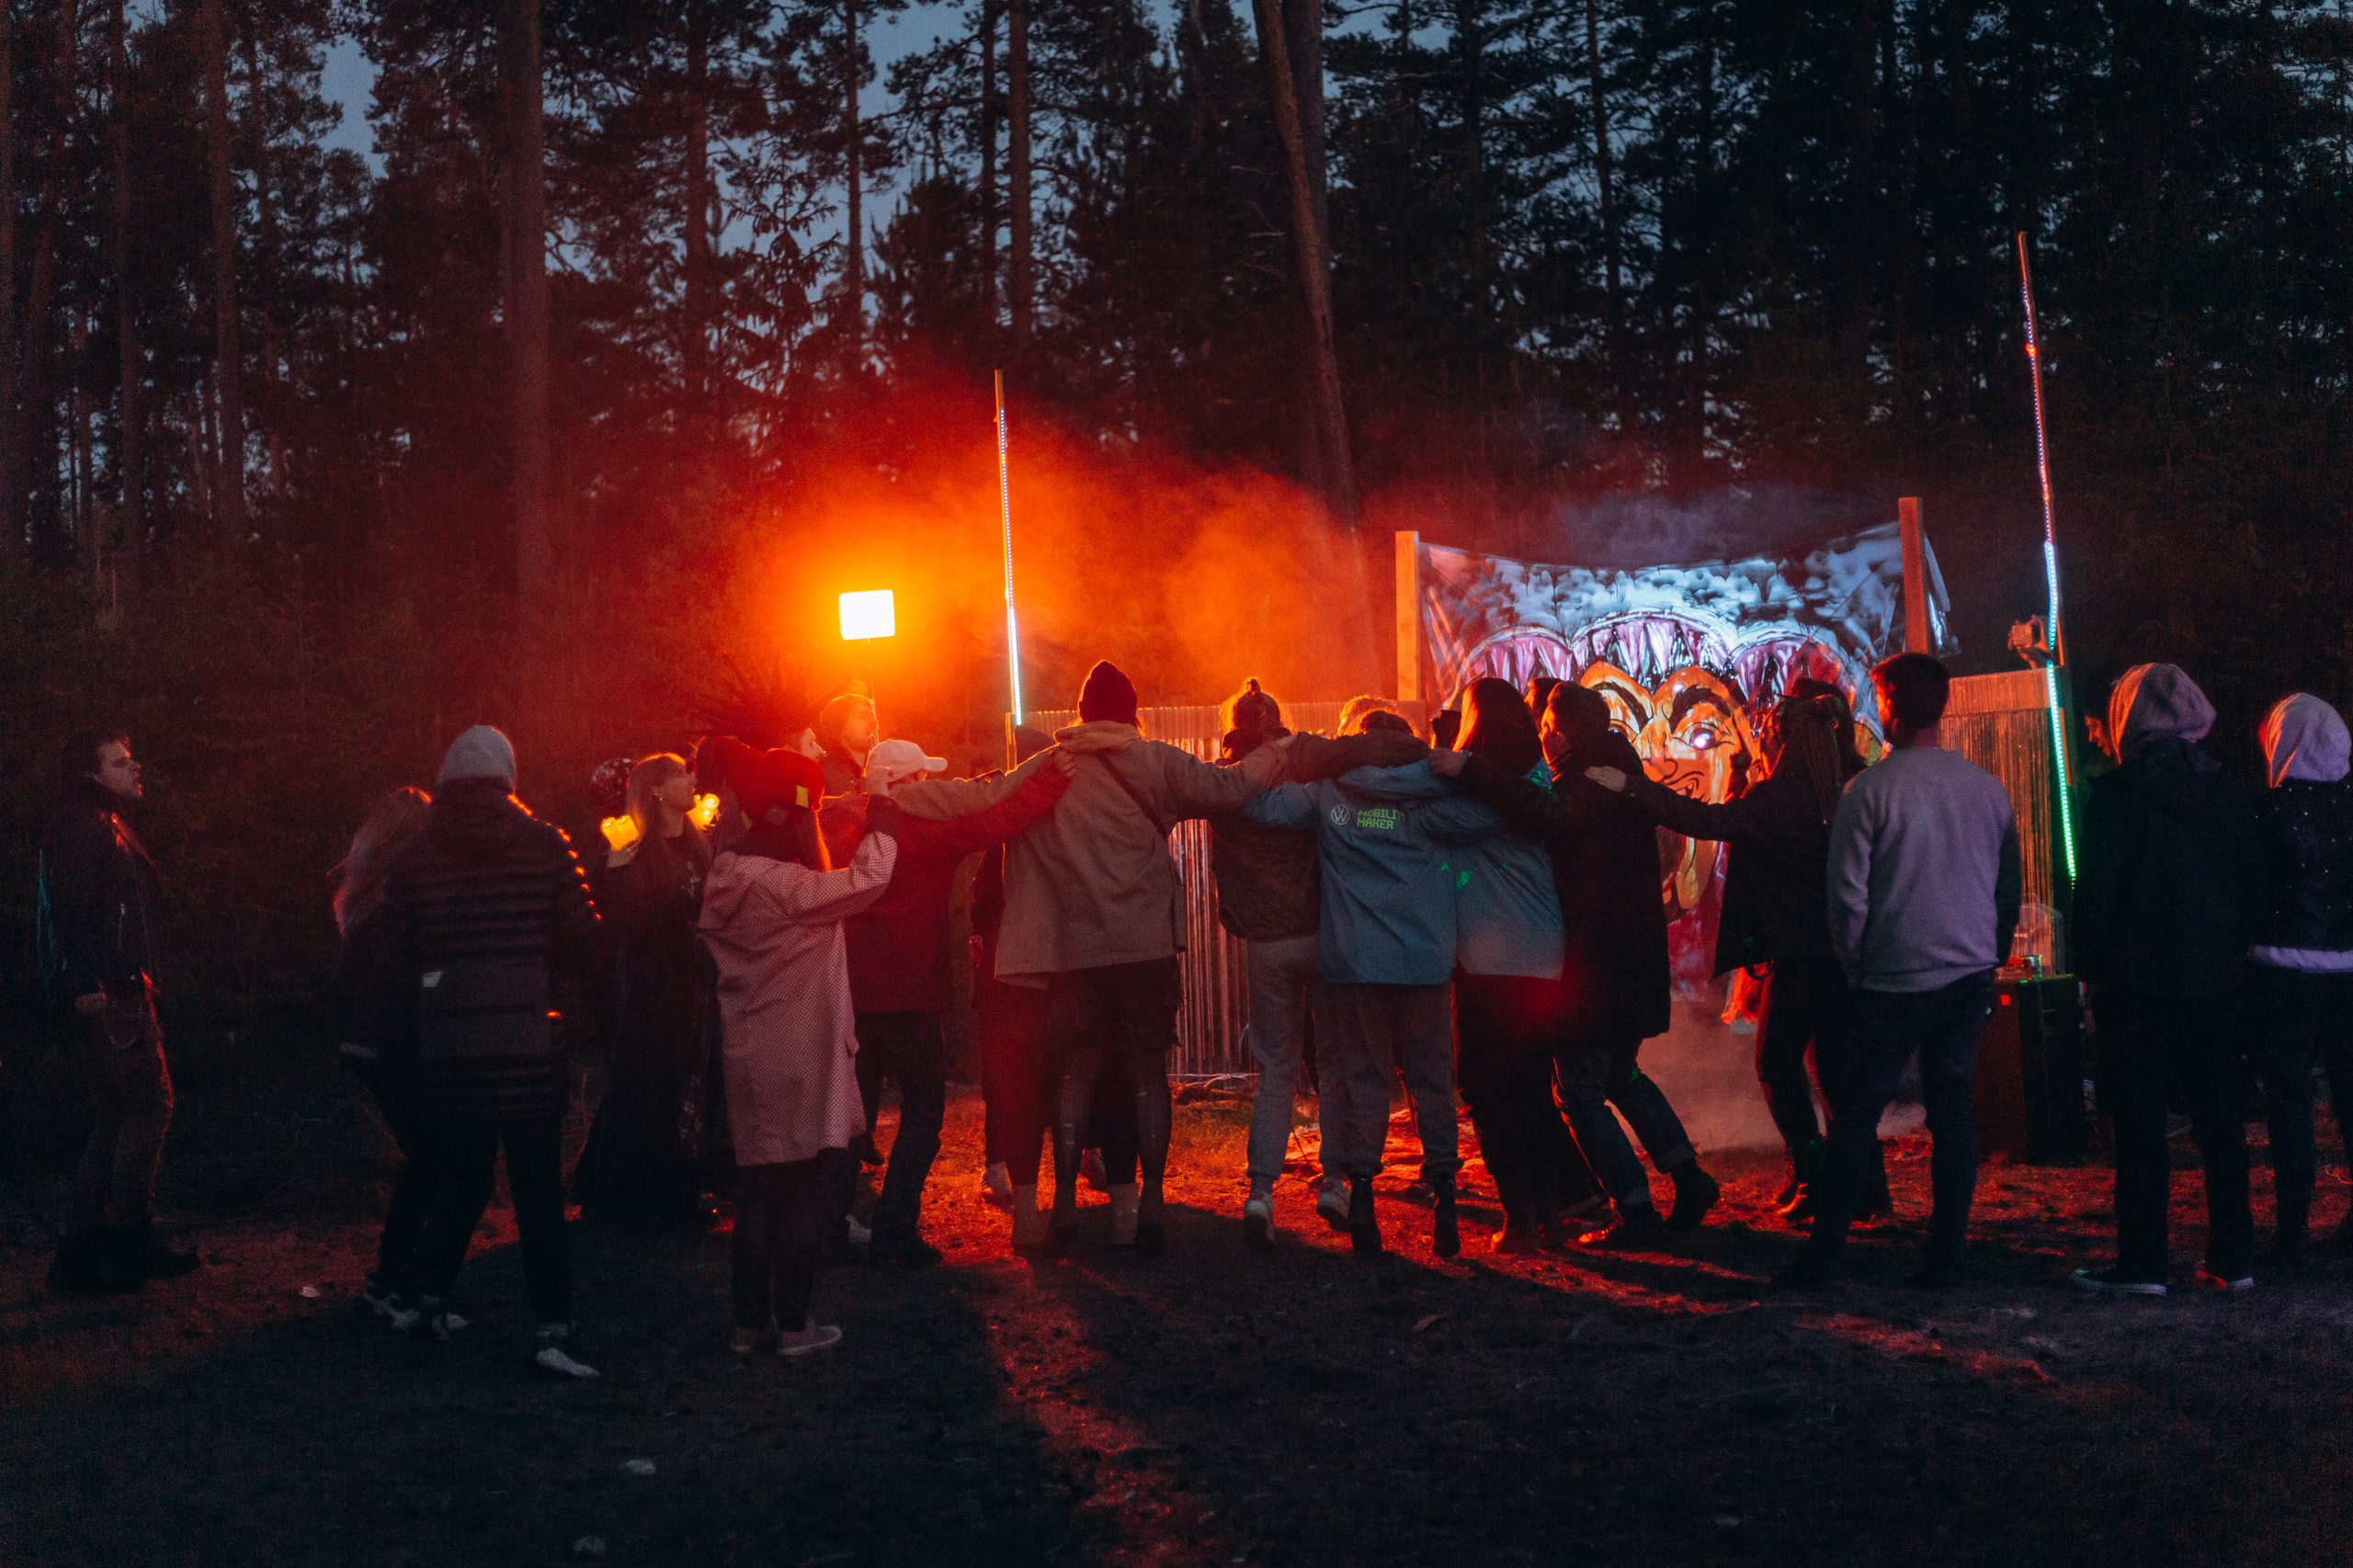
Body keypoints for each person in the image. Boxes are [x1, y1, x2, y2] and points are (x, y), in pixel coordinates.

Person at [894, 660, 1416, 1258]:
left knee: (1080, 1071)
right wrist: (1300, 759)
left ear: (1081, 713)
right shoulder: (1181, 767)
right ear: (1133, 709)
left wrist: (887, 800)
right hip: (1205, 947)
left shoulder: (1053, 766)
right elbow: (1244, 792)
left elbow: (979, 796)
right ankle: (1164, 1206)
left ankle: (1082, 1199)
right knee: (1176, 1073)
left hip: (1081, 953)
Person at [1436, 684, 1720, 1251]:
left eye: (1546, 725)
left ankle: (1635, 1209)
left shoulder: (1587, 784)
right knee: (1622, 1075)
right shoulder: (1617, 773)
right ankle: (1689, 1176)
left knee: (1581, 1093)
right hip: (1630, 961)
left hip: (1599, 967)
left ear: (1561, 731)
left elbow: (1541, 812)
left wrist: (1467, 766)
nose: (1542, 736)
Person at [1586, 687, 1877, 1223]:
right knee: (1836, 1070)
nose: (1759, 737)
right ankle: (1862, 1187)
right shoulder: (1850, 786)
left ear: (1785, 736)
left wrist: (1634, 787)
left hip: (1799, 954)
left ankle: (1812, 1176)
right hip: (1844, 953)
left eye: (1767, 730)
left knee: (1776, 1065)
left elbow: (1710, 821)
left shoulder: (1786, 797)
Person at [1779, 653, 2018, 1290]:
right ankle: (1946, 1256)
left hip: (1891, 976)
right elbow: (2005, 890)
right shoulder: (1986, 788)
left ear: (1887, 704)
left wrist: (1855, 964)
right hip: (1966, 973)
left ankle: (1826, 1253)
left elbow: (1846, 897)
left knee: (1857, 1115)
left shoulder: (1869, 792)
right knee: (1953, 1112)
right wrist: (1987, 954)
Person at [370, 726, 603, 1376]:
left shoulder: (411, 860)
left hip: (448, 1052)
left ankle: (429, 1301)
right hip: (529, 1043)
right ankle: (553, 1326)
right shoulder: (545, 844)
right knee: (537, 1193)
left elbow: (392, 961)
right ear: (507, 777)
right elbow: (585, 937)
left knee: (461, 1180)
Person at [1243, 728, 1501, 1257]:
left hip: (1357, 964)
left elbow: (1260, 808)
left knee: (1365, 1078)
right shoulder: (1432, 805)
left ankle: (1361, 1194)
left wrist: (1264, 758)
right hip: (1425, 966)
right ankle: (1446, 1195)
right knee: (1431, 1081)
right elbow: (1496, 816)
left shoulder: (1331, 798)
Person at [697, 738, 898, 1354]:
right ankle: (793, 1325)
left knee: (758, 1187)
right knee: (806, 1183)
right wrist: (883, 809)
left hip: (747, 1053)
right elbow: (871, 878)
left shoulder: (725, 877)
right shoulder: (791, 890)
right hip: (803, 1055)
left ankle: (747, 1323)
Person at [841, 736, 1075, 1265]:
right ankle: (894, 1231)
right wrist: (1055, 777)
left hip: (852, 992)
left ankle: (829, 1224)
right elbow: (1001, 821)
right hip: (913, 994)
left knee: (849, 1118)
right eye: (923, 778)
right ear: (907, 784)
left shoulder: (845, 821)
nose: (932, 787)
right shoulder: (925, 829)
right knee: (923, 1113)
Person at [2071, 665, 2258, 1295]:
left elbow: (2095, 895)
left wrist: (2089, 969)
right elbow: (2248, 886)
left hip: (2136, 984)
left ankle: (2143, 1263)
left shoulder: (2118, 794)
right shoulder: (2229, 792)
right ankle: (2235, 1258)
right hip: (2212, 980)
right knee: (2220, 1120)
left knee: (2141, 1124)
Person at [37, 729, 200, 1293]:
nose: (134, 769)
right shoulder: (88, 829)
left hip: (113, 989)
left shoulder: (92, 824)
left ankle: (81, 1253)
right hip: (114, 994)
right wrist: (87, 981)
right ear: (92, 773)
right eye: (120, 761)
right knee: (149, 1108)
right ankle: (129, 1245)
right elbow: (73, 909)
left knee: (115, 1113)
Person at [1443, 681, 1586, 1255]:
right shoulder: (1536, 777)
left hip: (1490, 959)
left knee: (1485, 1088)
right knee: (1530, 1088)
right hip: (1543, 954)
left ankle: (1520, 1220)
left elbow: (1428, 827)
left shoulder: (1473, 798)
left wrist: (1360, 815)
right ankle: (1551, 1216)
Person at [1206, 680, 1334, 1251]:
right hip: (1323, 936)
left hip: (1266, 943)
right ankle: (1336, 1182)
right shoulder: (1309, 775)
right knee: (1334, 1064)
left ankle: (1260, 1194)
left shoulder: (1221, 783)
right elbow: (1355, 824)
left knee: (1276, 1070)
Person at [576, 755, 715, 1231]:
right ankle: (631, 1195)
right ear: (656, 790)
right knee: (650, 1087)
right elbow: (625, 927)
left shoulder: (701, 844)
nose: (692, 779)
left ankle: (680, 1191)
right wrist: (619, 874)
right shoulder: (633, 851)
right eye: (681, 774)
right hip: (654, 988)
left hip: (698, 983)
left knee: (692, 1089)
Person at [2242, 694, 2353, 1262]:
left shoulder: (2266, 812)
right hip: (2349, 968)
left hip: (2282, 969)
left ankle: (2292, 1230)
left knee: (2290, 1100)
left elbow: (2250, 891)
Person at [331, 787, 438, 1316]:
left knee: (430, 1156)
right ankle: (394, 1278)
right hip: (393, 1047)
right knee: (433, 1157)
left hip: (377, 1047)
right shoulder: (392, 906)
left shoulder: (368, 902)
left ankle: (402, 1275)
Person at [813, 691, 879, 797]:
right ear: (839, 727)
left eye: (873, 715)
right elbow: (801, 808)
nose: (874, 721)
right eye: (862, 716)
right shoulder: (819, 771)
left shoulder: (887, 767)